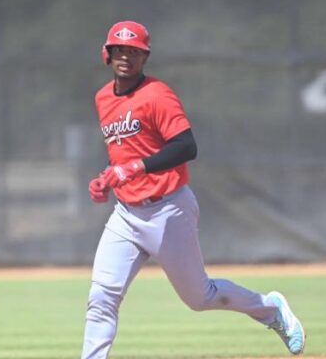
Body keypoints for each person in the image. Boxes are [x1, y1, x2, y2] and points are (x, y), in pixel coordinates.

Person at [81, 20, 305, 358]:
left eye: (134, 51)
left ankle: (270, 309)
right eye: (119, 50)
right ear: (106, 54)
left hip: (168, 208)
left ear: (145, 57)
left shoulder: (157, 95)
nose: (125, 56)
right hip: (126, 214)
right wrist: (106, 180)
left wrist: (134, 168)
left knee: (200, 298)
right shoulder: (102, 98)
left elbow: (186, 146)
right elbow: (124, 152)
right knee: (101, 297)